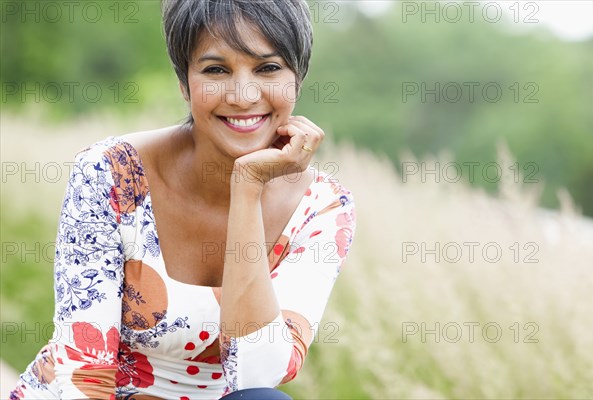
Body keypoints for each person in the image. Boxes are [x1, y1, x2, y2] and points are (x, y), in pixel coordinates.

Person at [10, 0, 356, 399]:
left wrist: (247, 189)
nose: (243, 96)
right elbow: (84, 373)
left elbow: (258, 377)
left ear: (297, 80)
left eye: (268, 68)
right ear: (183, 81)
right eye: (215, 70)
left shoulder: (323, 207)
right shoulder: (111, 174)